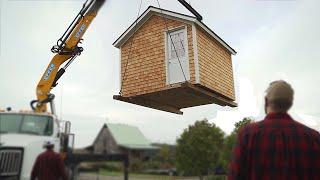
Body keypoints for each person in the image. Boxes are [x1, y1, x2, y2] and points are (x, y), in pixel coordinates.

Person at [228, 80, 320, 180]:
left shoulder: (247, 134)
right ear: (290, 103)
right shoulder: (313, 137)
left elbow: (235, 176)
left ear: (266, 101)